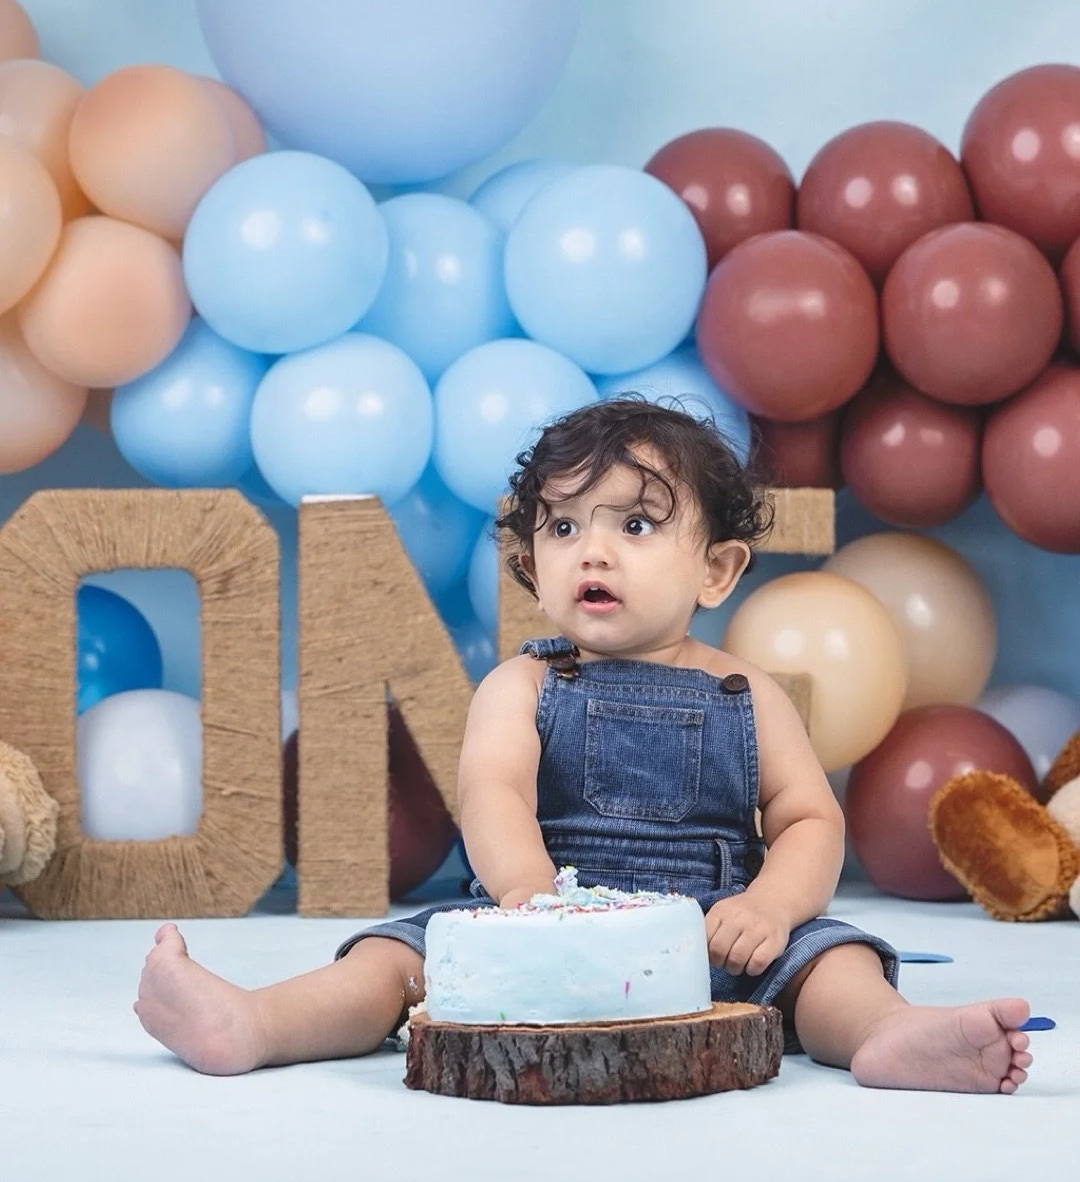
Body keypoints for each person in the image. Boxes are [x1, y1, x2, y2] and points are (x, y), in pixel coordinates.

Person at [135, 397, 1033, 1092]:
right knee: (395, 960)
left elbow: (809, 820)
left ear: (717, 570)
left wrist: (769, 907)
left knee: (830, 962)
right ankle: (254, 1023)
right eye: (563, 528)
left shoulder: (746, 693)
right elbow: (493, 794)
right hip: (533, 925)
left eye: (634, 526)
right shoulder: (521, 685)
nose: (591, 552)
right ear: (531, 563)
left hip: (710, 934)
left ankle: (887, 1035)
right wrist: (528, 898)